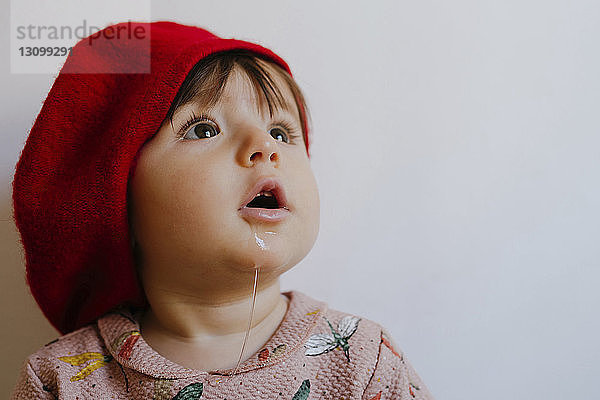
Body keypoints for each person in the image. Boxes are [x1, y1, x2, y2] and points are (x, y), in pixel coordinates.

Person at [11, 21, 434, 399]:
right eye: (203, 129)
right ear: (118, 200)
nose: (265, 148)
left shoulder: (362, 361)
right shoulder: (64, 380)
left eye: (282, 132)